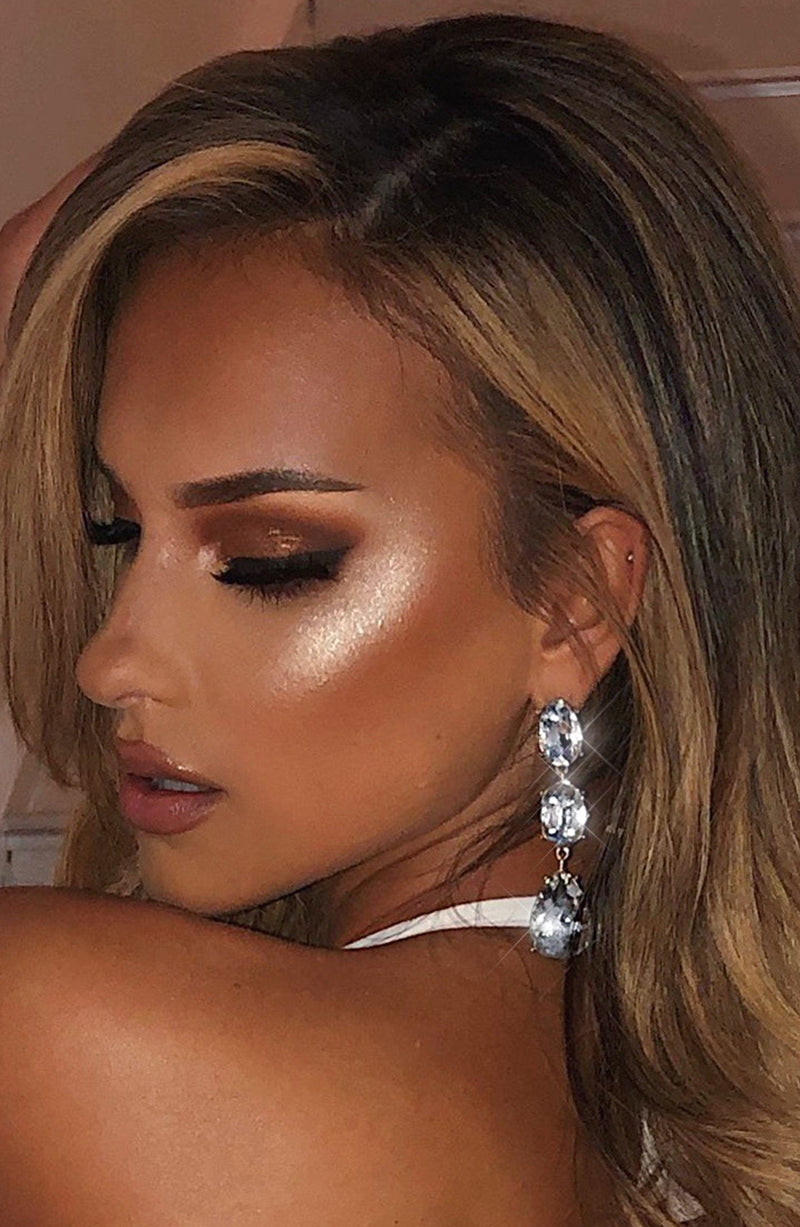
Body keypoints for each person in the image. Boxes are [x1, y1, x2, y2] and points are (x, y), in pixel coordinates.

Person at [0, 11, 798, 1224]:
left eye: (267, 562)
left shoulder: (82, 1043)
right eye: (117, 532)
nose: (109, 661)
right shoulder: (624, 1111)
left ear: (572, 601)